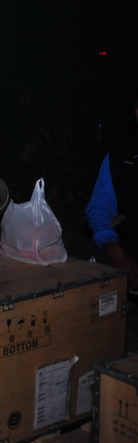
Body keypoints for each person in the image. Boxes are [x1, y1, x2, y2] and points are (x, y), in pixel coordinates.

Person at [85, 91, 138, 293]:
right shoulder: (121, 156)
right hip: (131, 240)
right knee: (73, 263)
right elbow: (99, 206)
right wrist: (113, 248)